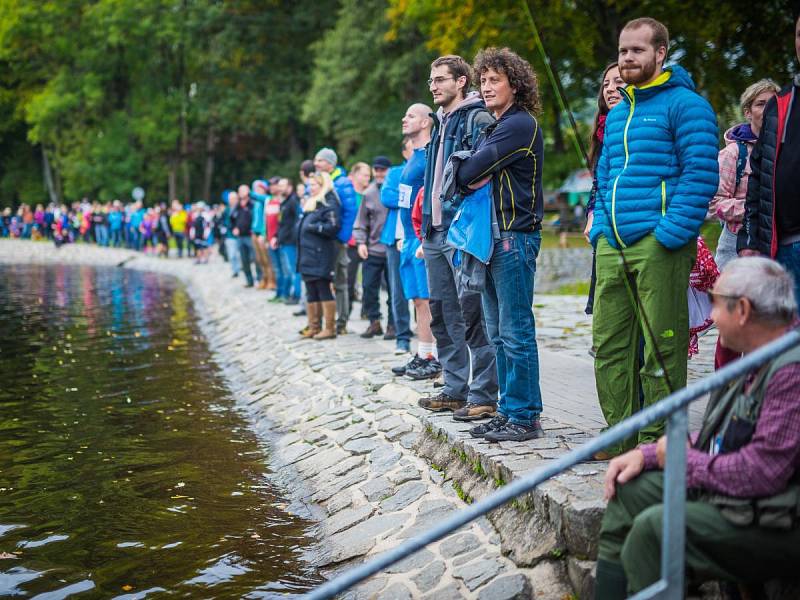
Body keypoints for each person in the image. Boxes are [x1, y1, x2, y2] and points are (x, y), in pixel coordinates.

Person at [595, 257, 800, 598]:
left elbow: (762, 472)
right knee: (629, 487)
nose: (710, 316)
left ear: (743, 310)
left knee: (654, 529)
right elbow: (725, 435)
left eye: (715, 303)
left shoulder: (789, 371)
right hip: (753, 501)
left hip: (778, 517)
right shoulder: (757, 357)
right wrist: (647, 454)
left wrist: (680, 459)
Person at [589, 18, 719, 458]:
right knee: (608, 344)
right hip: (613, 243)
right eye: (623, 50)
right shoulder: (620, 108)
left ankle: (656, 441)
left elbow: (701, 174)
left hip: (659, 242)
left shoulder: (688, 105)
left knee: (661, 344)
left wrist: (671, 233)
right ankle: (619, 436)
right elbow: (606, 174)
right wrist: (604, 228)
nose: (627, 58)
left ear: (660, 53)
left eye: (637, 51)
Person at [453, 47, 546, 442]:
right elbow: (466, 174)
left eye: (495, 80)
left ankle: (525, 416)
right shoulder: (497, 125)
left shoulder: (519, 125)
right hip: (493, 240)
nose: (487, 87)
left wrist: (465, 164)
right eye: (483, 81)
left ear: (515, 84)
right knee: (497, 332)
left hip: (514, 237)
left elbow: (469, 170)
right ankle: (508, 410)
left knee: (516, 330)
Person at [417, 54, 499, 421]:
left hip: (461, 231)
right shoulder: (439, 123)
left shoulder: (478, 117)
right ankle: (454, 388)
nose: (433, 86)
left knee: (472, 313)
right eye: (431, 81)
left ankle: (482, 394)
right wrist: (425, 229)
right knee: (442, 313)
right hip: (434, 232)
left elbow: (484, 174)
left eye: (440, 80)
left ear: (461, 81)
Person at [709, 79, 779, 369]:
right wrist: (757, 209)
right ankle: (723, 393)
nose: (767, 109)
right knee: (733, 322)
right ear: (748, 111)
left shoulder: (786, 148)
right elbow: (713, 202)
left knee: (765, 325)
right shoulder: (732, 155)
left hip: (774, 245)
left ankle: (758, 392)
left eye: (773, 103)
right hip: (735, 246)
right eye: (760, 104)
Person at [739, 12, 800, 303]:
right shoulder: (781, 104)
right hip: (785, 248)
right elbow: (758, 179)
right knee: (786, 341)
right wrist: (749, 242)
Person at [396, 103, 440, 380]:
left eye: (411, 115)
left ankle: (431, 356)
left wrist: (426, 236)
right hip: (408, 238)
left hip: (421, 237)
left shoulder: (428, 157)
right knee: (416, 299)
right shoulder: (412, 156)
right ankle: (422, 351)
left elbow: (432, 198)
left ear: (425, 122)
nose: (405, 118)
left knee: (426, 299)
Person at [584, 63, 626, 316]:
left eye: (618, 82)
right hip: (605, 225)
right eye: (606, 84)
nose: (610, 89)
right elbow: (599, 181)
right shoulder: (602, 128)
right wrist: (592, 214)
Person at [314, 148, 358, 334]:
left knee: (340, 281)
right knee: (323, 279)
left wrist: (341, 237)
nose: (316, 163)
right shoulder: (321, 181)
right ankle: (324, 321)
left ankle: (342, 322)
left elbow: (350, 212)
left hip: (336, 240)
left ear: (330, 163)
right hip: (323, 240)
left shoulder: (342, 182)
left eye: (320, 161)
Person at [296, 171, 342, 340]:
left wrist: (314, 227)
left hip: (320, 253)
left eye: (315, 184)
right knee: (311, 290)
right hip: (307, 254)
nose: (311, 188)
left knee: (323, 288)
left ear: (323, 185)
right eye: (310, 185)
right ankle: (314, 326)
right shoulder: (311, 202)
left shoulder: (329, 202)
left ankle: (329, 328)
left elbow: (333, 227)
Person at [354, 156, 393, 338]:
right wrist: (361, 242)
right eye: (376, 170)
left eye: (382, 170)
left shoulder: (395, 190)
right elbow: (361, 221)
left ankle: (393, 325)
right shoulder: (369, 193)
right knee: (369, 287)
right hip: (373, 249)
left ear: (389, 171)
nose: (379, 173)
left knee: (394, 291)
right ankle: (374, 322)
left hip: (393, 249)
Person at [381, 138, 415, 354]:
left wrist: (405, 195)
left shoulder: (426, 168)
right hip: (396, 239)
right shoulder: (395, 173)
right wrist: (414, 196)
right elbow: (386, 196)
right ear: (404, 152)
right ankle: (402, 337)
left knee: (424, 290)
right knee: (398, 290)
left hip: (419, 236)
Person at [347, 162, 372, 319]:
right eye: (364, 175)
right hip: (350, 242)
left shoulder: (370, 193)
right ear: (355, 175)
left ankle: (366, 310)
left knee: (368, 280)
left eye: (369, 175)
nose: (367, 178)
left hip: (369, 242)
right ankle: (346, 309)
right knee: (349, 279)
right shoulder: (348, 194)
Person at [275, 178, 302, 304]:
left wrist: (294, 237)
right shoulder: (285, 202)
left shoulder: (293, 201)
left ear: (290, 187)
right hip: (284, 241)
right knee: (290, 269)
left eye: (282, 186)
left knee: (295, 269)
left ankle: (296, 295)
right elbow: (282, 223)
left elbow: (298, 221)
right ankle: (293, 293)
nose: (280, 188)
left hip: (292, 241)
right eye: (279, 186)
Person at [266, 177, 285, 302]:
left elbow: (282, 223)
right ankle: (278, 293)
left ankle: (284, 294)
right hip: (270, 239)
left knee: (283, 268)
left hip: (280, 239)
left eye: (275, 185)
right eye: (271, 185)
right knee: (276, 268)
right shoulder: (269, 201)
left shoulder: (282, 202)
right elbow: (267, 222)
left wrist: (277, 237)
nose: (272, 187)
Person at [232, 189, 256, 287]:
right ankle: (249, 281)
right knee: (244, 260)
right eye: (240, 191)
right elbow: (232, 219)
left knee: (256, 259)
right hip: (240, 237)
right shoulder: (237, 206)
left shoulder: (252, 204)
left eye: (244, 191)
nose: (242, 193)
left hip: (250, 235)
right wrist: (234, 228)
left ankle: (260, 278)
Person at [223, 191, 242, 278]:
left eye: (234, 198)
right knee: (232, 254)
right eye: (230, 199)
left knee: (240, 254)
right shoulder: (226, 210)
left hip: (240, 234)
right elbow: (224, 221)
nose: (232, 200)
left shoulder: (240, 208)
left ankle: (241, 268)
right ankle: (235, 270)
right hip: (230, 235)